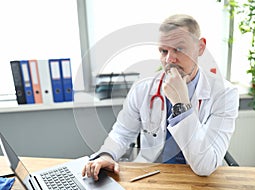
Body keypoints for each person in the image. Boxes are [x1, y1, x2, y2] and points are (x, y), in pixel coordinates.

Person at [82, 14, 239, 180]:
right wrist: (107, 154)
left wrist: (181, 104)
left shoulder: (225, 94)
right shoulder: (143, 87)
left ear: (200, 47)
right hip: (150, 176)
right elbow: (122, 132)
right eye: (164, 51)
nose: (169, 59)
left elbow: (204, 167)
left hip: (200, 181)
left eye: (179, 49)